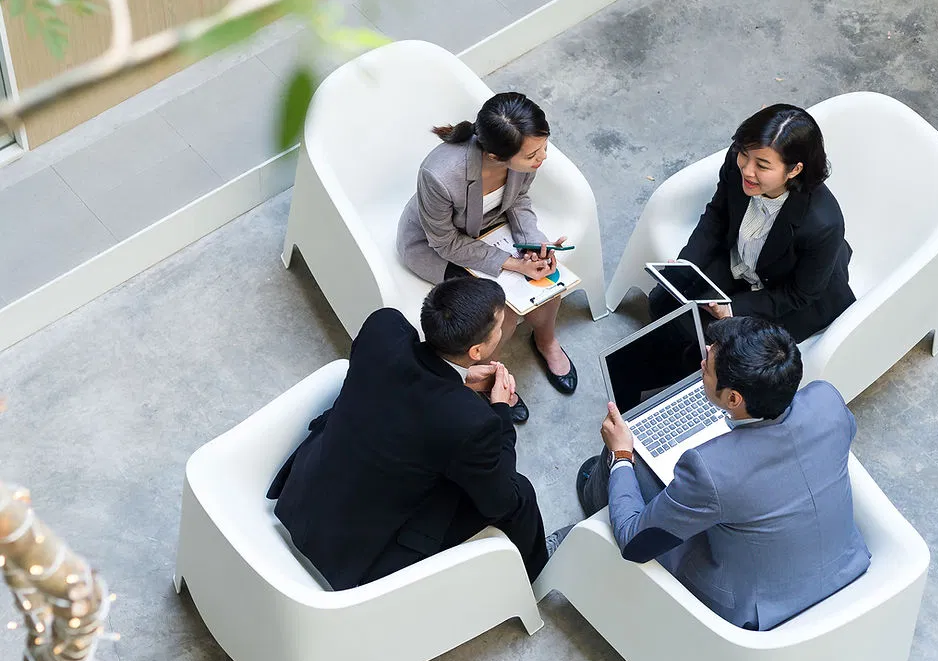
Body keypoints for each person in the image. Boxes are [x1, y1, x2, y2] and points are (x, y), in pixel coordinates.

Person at [267, 277, 567, 590]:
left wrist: (458, 381)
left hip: (304, 493)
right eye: (503, 326)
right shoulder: (473, 422)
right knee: (520, 494)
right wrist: (501, 410)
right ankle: (538, 573)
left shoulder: (383, 326)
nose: (509, 328)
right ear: (477, 350)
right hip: (353, 554)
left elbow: (404, 384)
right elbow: (500, 501)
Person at [575, 316, 870, 631]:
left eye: (707, 365)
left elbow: (634, 543)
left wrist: (621, 454)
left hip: (756, 607)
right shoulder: (827, 401)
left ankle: (597, 496)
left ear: (733, 399)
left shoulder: (707, 469)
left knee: (629, 461)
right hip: (845, 562)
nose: (702, 358)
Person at [397, 92, 578, 409]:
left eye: (544, 146)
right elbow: (445, 242)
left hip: (490, 228)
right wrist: (512, 264)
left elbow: (519, 201)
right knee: (498, 312)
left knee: (550, 279)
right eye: (534, 153)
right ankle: (487, 377)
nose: (543, 157)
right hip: (435, 246)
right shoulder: (439, 175)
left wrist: (533, 243)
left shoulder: (522, 157)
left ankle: (545, 339)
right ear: (495, 156)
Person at [649, 104, 855, 343]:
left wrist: (732, 309)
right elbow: (718, 215)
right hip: (741, 261)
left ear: (794, 170)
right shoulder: (739, 162)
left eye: (762, 166)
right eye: (744, 154)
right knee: (664, 301)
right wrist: (687, 265)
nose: (747, 170)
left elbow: (798, 294)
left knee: (719, 342)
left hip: (787, 293)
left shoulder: (822, 224)